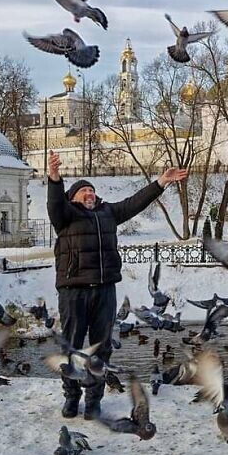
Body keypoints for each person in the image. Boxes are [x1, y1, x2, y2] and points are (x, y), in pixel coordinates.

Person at [46, 150, 188, 419]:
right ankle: (71, 398)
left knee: (102, 347)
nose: (89, 194)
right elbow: (54, 203)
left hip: (104, 290)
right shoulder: (65, 216)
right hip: (73, 290)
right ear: (72, 198)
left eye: (91, 190)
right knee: (73, 346)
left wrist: (160, 183)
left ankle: (93, 401)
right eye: (83, 191)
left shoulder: (107, 212)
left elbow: (135, 203)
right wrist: (54, 177)